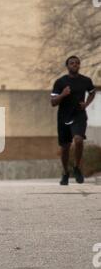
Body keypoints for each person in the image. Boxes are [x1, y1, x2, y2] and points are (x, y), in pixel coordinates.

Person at [50, 55, 95, 185]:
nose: (74, 65)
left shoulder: (86, 81)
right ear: (67, 66)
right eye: (71, 63)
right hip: (63, 117)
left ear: (79, 65)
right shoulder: (60, 82)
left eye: (76, 63)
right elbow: (53, 102)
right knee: (65, 148)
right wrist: (63, 94)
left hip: (79, 115)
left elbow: (92, 92)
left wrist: (86, 104)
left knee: (79, 140)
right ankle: (65, 172)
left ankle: (77, 167)